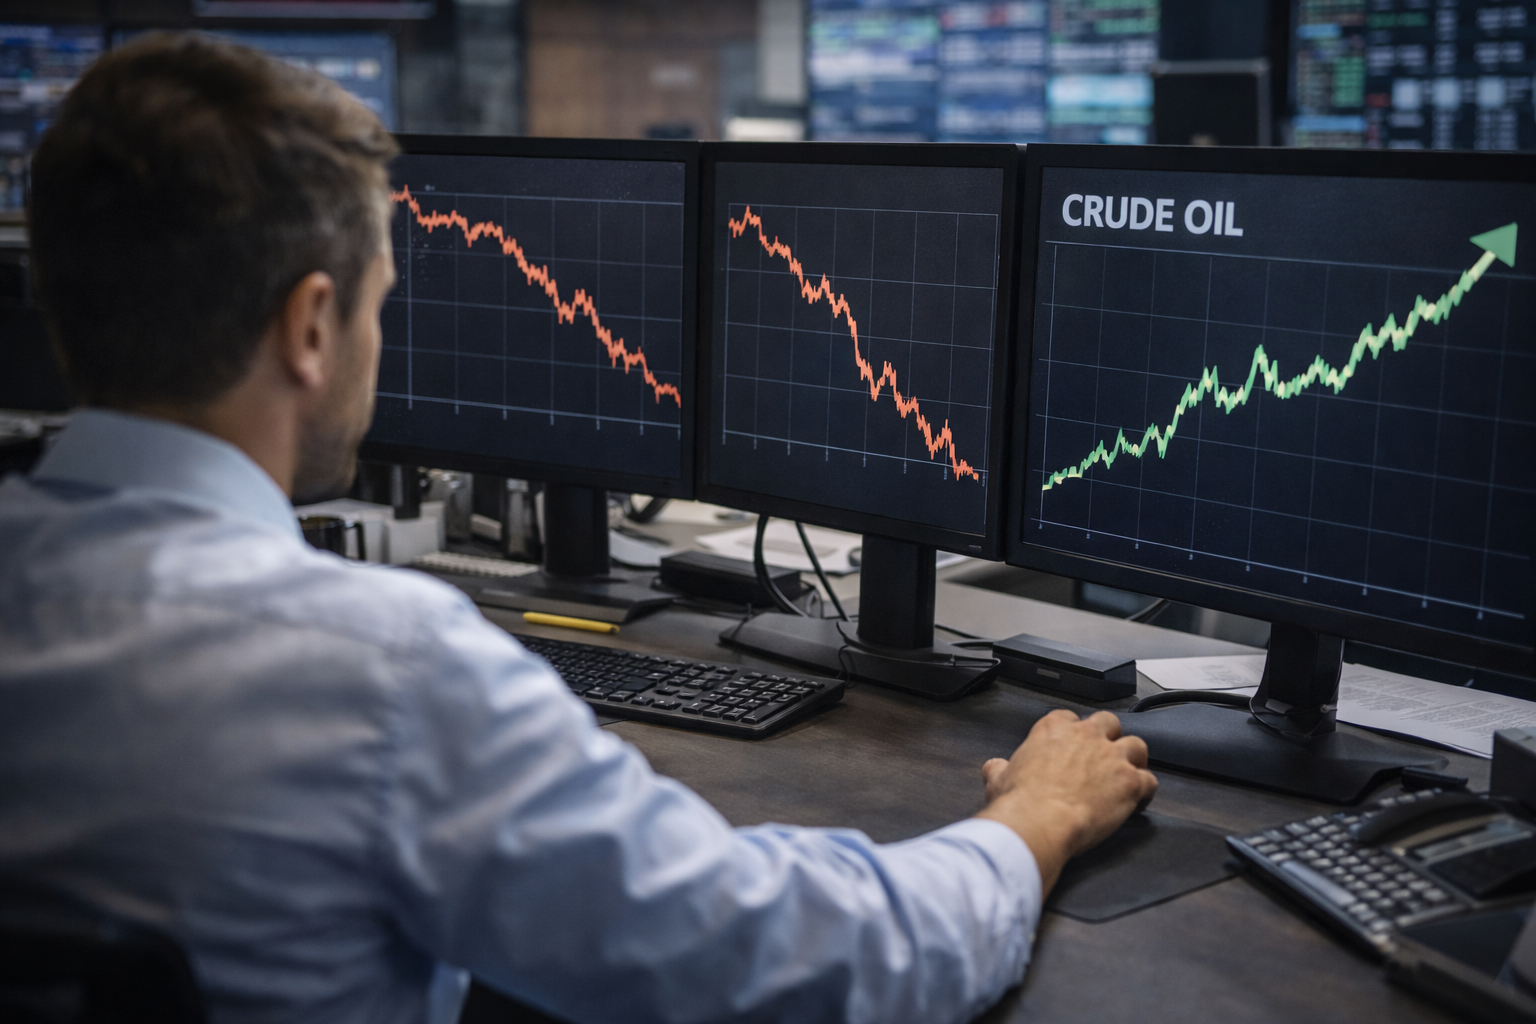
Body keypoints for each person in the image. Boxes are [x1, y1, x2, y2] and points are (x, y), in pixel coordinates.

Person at [0, 33, 1157, 1024]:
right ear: (311, 325)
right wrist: (1032, 820)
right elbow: (809, 965)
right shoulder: (377, 672)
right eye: (379, 304)